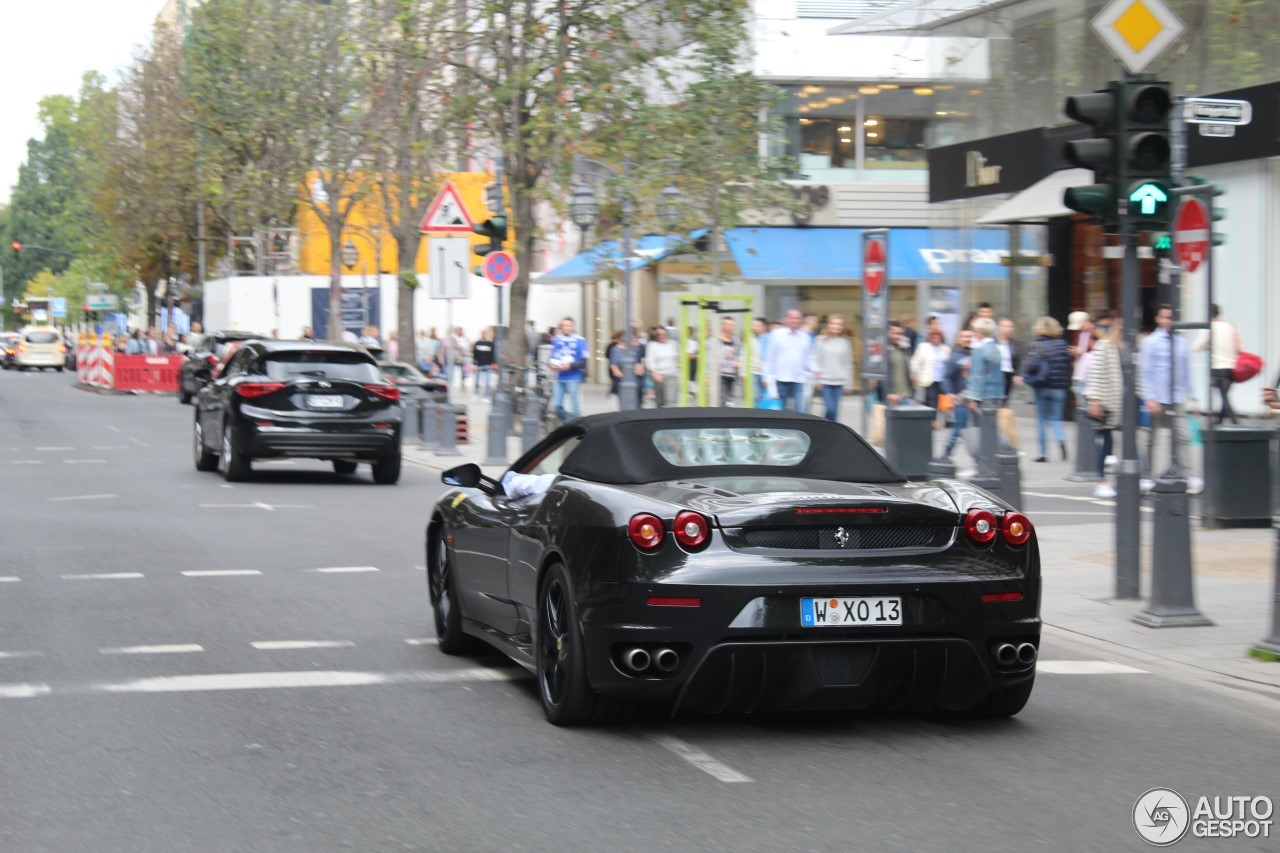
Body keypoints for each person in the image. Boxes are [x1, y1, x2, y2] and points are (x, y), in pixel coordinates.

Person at [1139, 304, 1198, 490]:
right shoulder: (1150, 342)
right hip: (1157, 397)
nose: (1167, 321)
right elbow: (1145, 371)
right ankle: (1147, 476)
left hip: (1177, 398)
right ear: (1158, 318)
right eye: (1164, 317)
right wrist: (1149, 398)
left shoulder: (1182, 343)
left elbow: (1186, 372)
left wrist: (1193, 398)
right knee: (1152, 438)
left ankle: (1187, 475)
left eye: (1171, 318)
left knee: (1183, 437)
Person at [1022, 316, 1073, 463]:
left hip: (1042, 386)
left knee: (1041, 420)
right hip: (1060, 388)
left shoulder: (1037, 346)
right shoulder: (1063, 345)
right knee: (1056, 418)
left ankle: (1043, 453)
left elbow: (1031, 365)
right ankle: (1061, 439)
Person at [1086, 317, 1125, 498]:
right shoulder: (1104, 346)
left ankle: (1105, 479)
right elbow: (1095, 375)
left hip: (1112, 403)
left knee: (1109, 443)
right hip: (1105, 403)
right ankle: (1101, 481)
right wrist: (1095, 400)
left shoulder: (1115, 347)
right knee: (1105, 444)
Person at [1196, 303, 1240, 425]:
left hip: (1217, 368)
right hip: (1231, 369)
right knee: (1224, 396)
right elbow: (1239, 348)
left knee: (1224, 398)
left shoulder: (1208, 328)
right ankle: (1218, 423)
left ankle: (1236, 423)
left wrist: (1208, 346)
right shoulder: (1230, 327)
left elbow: (1196, 346)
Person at [764, 309, 813, 412]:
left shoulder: (805, 337)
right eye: (792, 318)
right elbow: (769, 357)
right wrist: (767, 378)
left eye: (798, 318)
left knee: (800, 410)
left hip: (798, 378)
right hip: (781, 378)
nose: (795, 320)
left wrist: (815, 370)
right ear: (786, 319)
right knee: (782, 410)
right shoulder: (777, 334)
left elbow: (808, 357)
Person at [810, 314, 852, 422]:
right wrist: (817, 379)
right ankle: (823, 425)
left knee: (835, 411)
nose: (836, 326)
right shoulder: (820, 340)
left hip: (839, 381)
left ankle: (829, 432)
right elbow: (816, 359)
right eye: (833, 324)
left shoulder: (845, 342)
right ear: (828, 325)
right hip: (825, 381)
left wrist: (848, 383)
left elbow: (847, 364)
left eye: (839, 324)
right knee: (830, 408)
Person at [942, 329, 974, 460]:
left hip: (975, 399)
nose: (967, 339)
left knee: (974, 430)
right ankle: (946, 454)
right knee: (960, 428)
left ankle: (978, 460)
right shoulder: (954, 357)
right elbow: (947, 377)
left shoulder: (976, 355)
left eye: (969, 336)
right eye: (964, 336)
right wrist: (950, 393)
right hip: (961, 399)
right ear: (959, 339)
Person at [549, 317, 588, 421]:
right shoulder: (557, 340)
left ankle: (579, 429)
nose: (566, 328)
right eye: (564, 326)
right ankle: (567, 425)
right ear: (561, 327)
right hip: (559, 376)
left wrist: (570, 366)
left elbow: (583, 361)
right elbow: (553, 356)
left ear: (573, 327)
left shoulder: (580, 341)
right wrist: (552, 364)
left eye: (569, 326)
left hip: (573, 377)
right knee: (557, 405)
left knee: (574, 407)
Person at [964, 317, 1004, 409]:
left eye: (974, 331)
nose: (973, 333)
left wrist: (972, 398)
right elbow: (1000, 375)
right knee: (991, 422)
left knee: (978, 423)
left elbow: (976, 375)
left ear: (980, 332)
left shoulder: (979, 350)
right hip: (996, 393)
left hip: (982, 395)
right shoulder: (997, 349)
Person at [909, 327, 950, 409]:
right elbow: (915, 361)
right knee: (931, 402)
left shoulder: (946, 349)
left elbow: (948, 363)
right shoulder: (923, 347)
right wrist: (915, 373)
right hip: (929, 379)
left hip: (941, 379)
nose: (936, 339)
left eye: (938, 337)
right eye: (933, 337)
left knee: (942, 403)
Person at [875, 321, 911, 408]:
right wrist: (888, 393)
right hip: (891, 397)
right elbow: (880, 375)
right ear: (888, 333)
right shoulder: (882, 350)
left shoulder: (903, 348)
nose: (898, 336)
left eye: (901, 334)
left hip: (905, 396)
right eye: (895, 333)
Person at [643, 326, 679, 408]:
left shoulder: (673, 344)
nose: (662, 336)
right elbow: (649, 360)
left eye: (664, 334)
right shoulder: (652, 345)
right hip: (659, 375)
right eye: (659, 334)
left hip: (672, 374)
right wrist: (654, 373)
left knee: (671, 400)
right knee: (660, 401)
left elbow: (677, 356)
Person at [995, 318, 1023, 399]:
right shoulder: (992, 342)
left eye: (1010, 327)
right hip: (994, 373)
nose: (1007, 329)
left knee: (1005, 398)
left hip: (1008, 374)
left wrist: (1018, 374)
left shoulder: (1016, 343)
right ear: (999, 328)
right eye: (1004, 326)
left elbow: (1019, 360)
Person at [716, 317, 740, 406]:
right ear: (723, 326)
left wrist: (738, 363)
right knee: (722, 400)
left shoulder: (736, 341)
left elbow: (738, 355)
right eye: (729, 325)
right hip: (720, 374)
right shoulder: (716, 340)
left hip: (731, 374)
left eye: (733, 325)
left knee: (728, 401)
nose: (732, 327)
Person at [472, 328, 496, 402]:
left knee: (488, 382)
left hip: (488, 365)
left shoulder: (490, 344)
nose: (484, 334)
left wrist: (492, 363)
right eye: (482, 333)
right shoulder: (477, 343)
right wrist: (475, 364)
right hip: (479, 365)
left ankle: (485, 397)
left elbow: (492, 354)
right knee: (477, 382)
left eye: (485, 333)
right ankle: (476, 395)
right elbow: (475, 354)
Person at [750, 317, 769, 404]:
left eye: (757, 325)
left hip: (766, 373)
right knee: (755, 397)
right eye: (754, 325)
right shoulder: (750, 339)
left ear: (764, 327)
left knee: (765, 398)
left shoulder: (770, 339)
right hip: (754, 371)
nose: (754, 327)